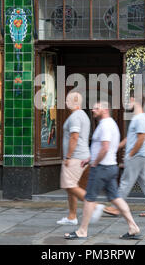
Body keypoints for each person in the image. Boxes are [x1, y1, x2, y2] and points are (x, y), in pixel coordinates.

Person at [64, 101, 141, 240]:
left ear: (105, 110)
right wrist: (89, 158)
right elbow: (106, 147)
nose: (93, 110)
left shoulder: (105, 125)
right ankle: (133, 226)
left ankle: (82, 230)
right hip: (111, 167)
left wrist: (95, 162)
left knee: (89, 199)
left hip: (101, 167)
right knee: (115, 198)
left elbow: (105, 147)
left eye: (96, 108)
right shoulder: (111, 124)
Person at [103, 97, 145, 217]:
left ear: (134, 100)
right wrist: (117, 147)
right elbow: (130, 138)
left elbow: (141, 138)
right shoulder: (138, 118)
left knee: (125, 181)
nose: (127, 104)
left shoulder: (140, 118)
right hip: (141, 156)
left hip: (137, 156)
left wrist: (131, 154)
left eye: (128, 101)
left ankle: (116, 208)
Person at [56, 92, 92, 225]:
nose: (66, 102)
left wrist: (68, 156)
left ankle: (95, 206)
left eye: (68, 100)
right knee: (72, 187)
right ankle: (72, 216)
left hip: (75, 157)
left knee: (69, 186)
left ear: (75, 101)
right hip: (82, 156)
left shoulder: (75, 117)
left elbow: (74, 137)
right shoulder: (83, 115)